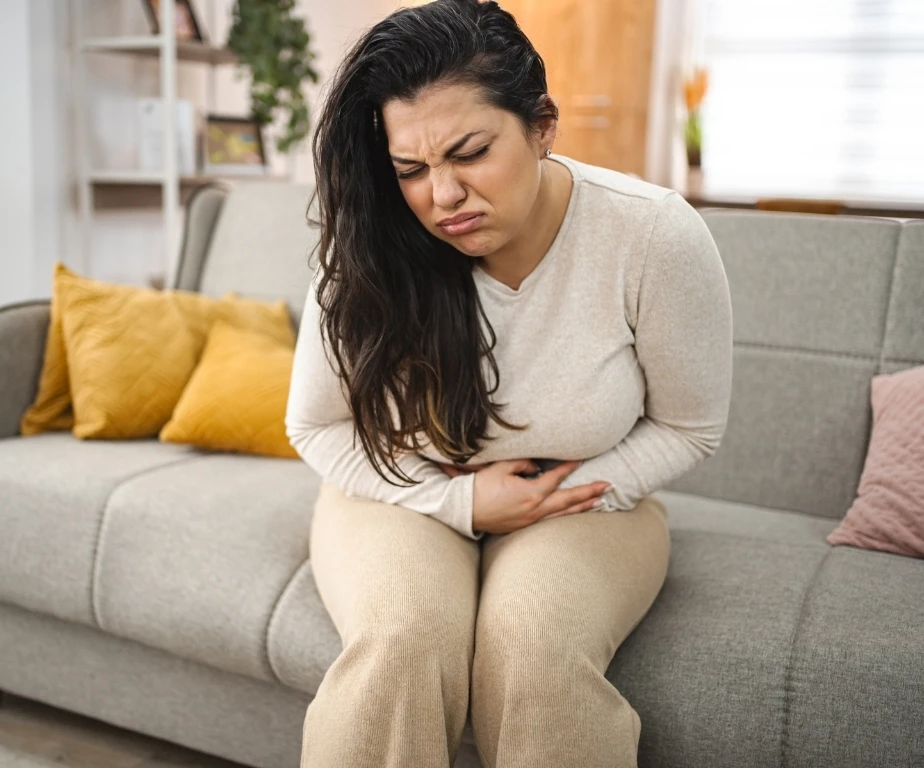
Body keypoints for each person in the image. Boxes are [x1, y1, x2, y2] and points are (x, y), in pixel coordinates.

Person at [284, 1, 733, 766]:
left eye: (470, 152)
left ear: (542, 124)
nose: (443, 196)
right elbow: (317, 427)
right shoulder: (373, 240)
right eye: (412, 170)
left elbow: (691, 424)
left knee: (533, 646)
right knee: (401, 641)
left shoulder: (652, 235)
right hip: (404, 491)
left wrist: (559, 495)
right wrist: (458, 501)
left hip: (584, 501)